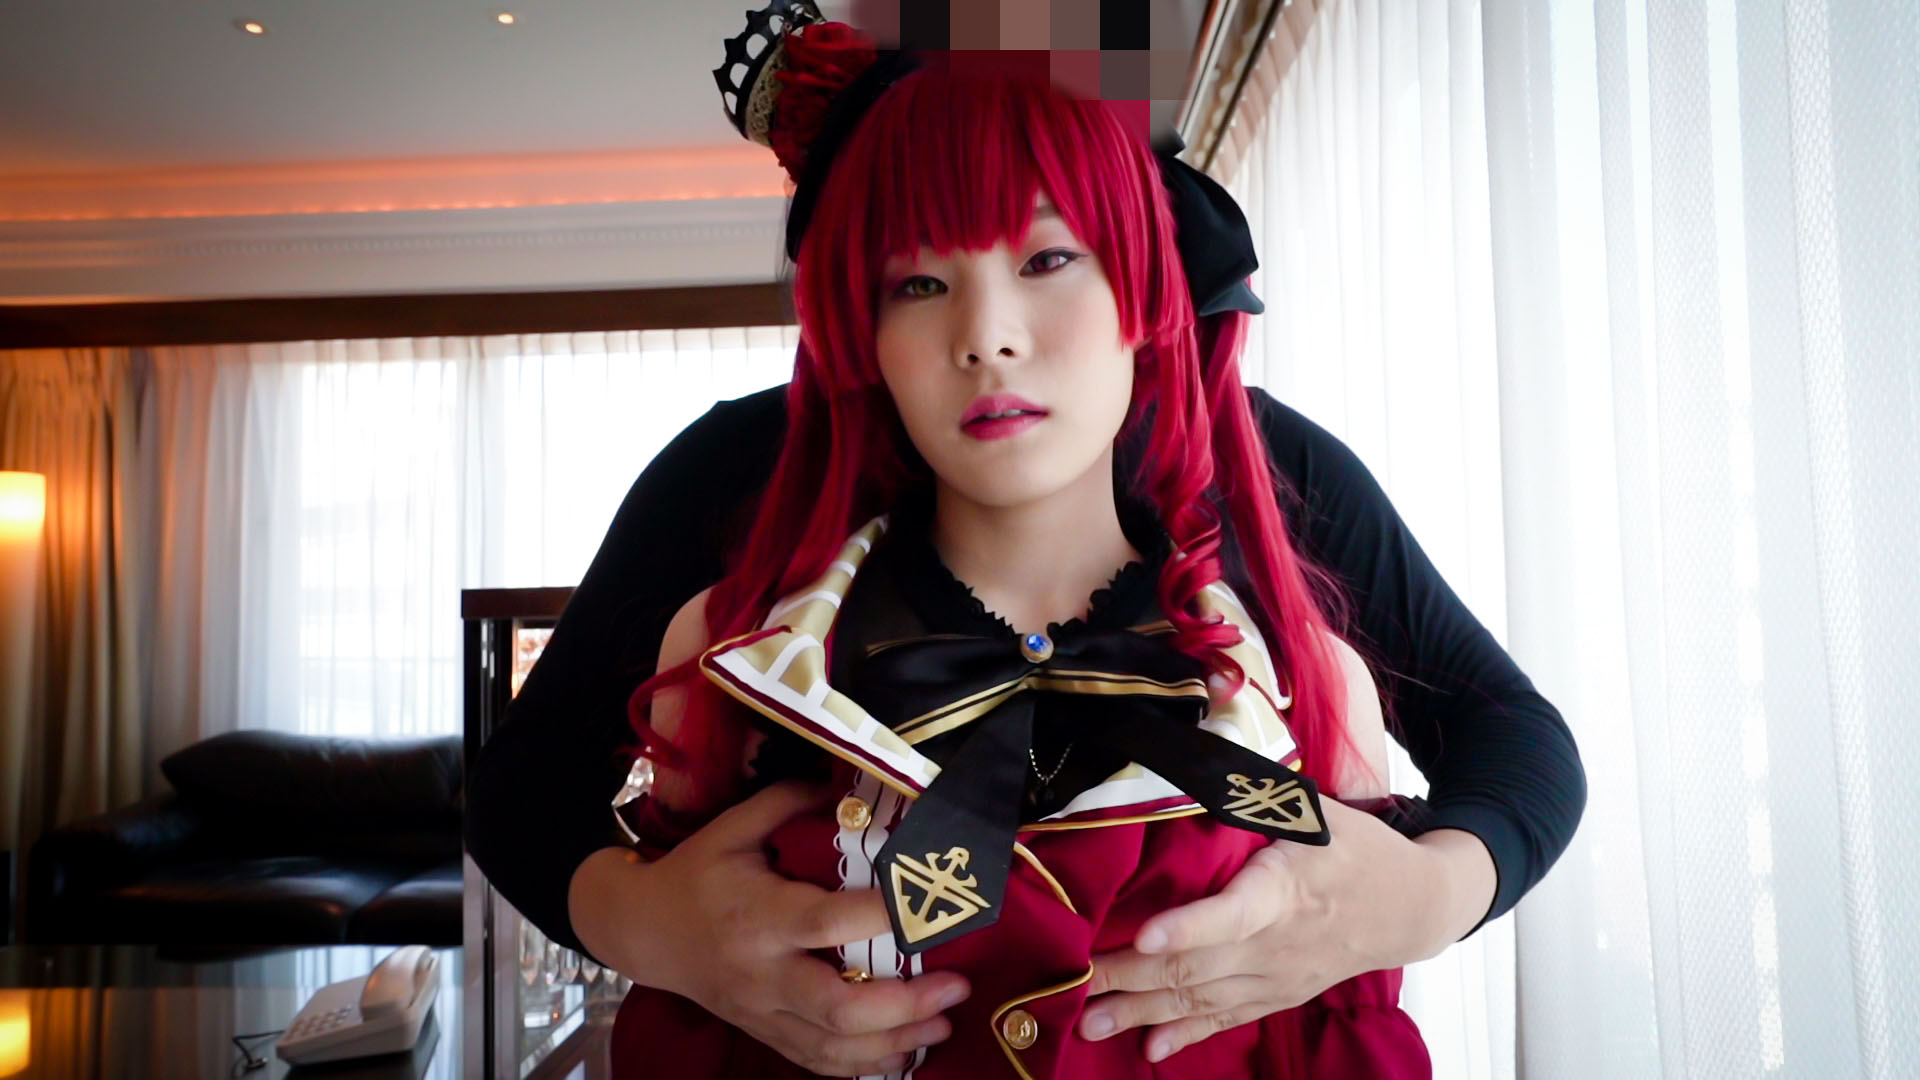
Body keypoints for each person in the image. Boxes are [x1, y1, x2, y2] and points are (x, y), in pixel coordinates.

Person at [465, 7, 1586, 1078]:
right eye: (918, 281)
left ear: (1143, 278)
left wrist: (1418, 900)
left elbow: (1508, 734)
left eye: (1047, 259)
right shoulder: (742, 486)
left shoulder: (1263, 468)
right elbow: (524, 788)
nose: (988, 339)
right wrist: (655, 927)